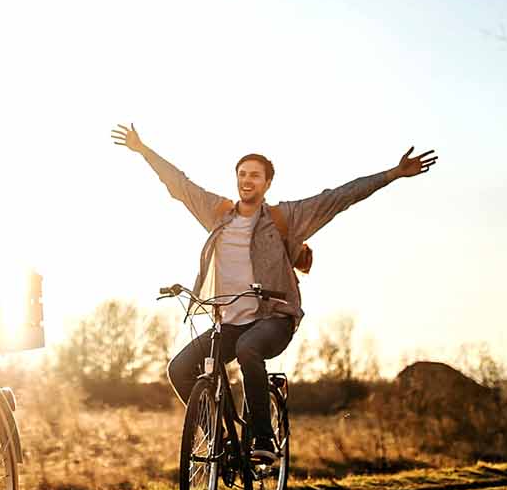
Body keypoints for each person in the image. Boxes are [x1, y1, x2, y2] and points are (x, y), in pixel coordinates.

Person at [110, 123, 436, 462]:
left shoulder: (287, 217)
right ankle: (218, 437)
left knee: (248, 348)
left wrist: (393, 174)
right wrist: (143, 150)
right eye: (242, 174)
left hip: (274, 318)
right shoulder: (217, 214)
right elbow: (179, 185)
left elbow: (339, 197)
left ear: (267, 183)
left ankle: (263, 439)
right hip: (230, 320)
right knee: (179, 368)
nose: (247, 180)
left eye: (254, 175)